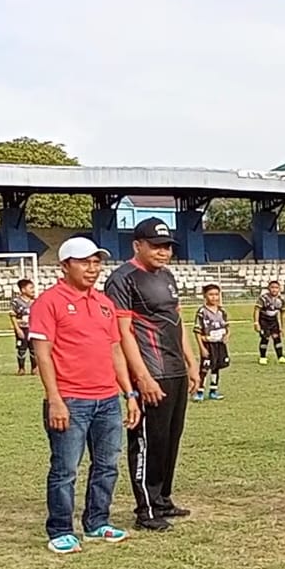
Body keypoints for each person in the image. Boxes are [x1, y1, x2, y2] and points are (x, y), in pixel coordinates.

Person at [28, 238, 141, 553]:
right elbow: (43, 354)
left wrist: (129, 393)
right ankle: (60, 529)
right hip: (71, 400)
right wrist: (55, 399)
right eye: (84, 262)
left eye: (96, 262)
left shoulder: (104, 302)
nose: (92, 268)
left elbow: (115, 350)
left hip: (107, 400)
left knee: (107, 465)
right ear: (65, 266)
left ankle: (96, 522)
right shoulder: (48, 302)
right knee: (65, 469)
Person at [106, 218, 201, 531]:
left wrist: (192, 361)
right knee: (149, 440)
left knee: (171, 438)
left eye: (167, 247)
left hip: (174, 368)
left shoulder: (167, 275)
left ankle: (162, 499)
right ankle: (145, 509)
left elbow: (178, 320)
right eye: (156, 246)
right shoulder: (123, 279)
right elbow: (122, 334)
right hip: (150, 369)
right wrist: (142, 377)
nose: (163, 252)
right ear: (138, 245)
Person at [194, 284, 232, 402]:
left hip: (219, 344)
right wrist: (202, 347)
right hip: (208, 344)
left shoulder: (222, 311)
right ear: (205, 296)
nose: (214, 297)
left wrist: (227, 335)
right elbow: (197, 331)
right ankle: (199, 391)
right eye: (211, 294)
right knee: (205, 368)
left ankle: (213, 391)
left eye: (216, 294)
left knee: (216, 367)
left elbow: (227, 326)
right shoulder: (202, 312)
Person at [255, 280, 285, 365]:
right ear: (268, 288)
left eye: (276, 288)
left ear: (279, 289)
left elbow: (283, 313)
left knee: (276, 337)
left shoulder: (281, 300)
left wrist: (283, 327)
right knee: (265, 337)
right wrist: (256, 323)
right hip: (263, 320)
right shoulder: (263, 298)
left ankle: (280, 356)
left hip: (273, 320)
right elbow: (257, 310)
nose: (274, 290)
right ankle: (263, 357)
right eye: (272, 287)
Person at [10, 279, 36, 374]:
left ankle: (34, 368)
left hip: (33, 329)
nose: (33, 290)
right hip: (22, 328)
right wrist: (17, 329)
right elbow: (12, 316)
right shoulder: (16, 302)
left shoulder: (35, 301)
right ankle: (21, 368)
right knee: (22, 348)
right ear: (23, 290)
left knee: (33, 349)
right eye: (31, 288)